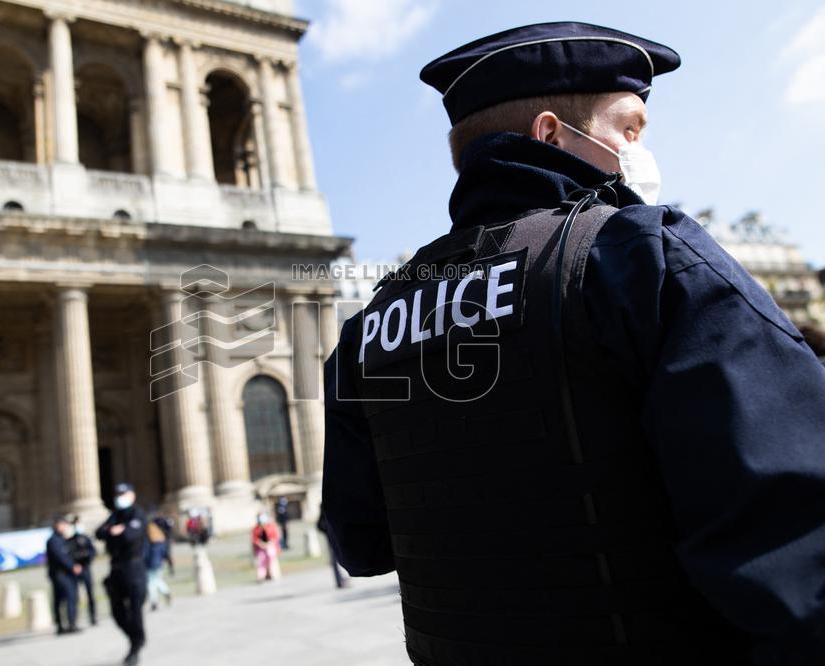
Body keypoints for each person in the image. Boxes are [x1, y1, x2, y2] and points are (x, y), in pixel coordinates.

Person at [321, 21, 825, 665]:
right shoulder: (643, 255)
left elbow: (361, 543)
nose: (639, 148)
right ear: (551, 134)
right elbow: (796, 540)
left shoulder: (371, 323)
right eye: (630, 128)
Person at [96, 483, 148, 665]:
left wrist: (116, 531)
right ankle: (135, 638)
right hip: (116, 569)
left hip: (134, 569)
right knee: (117, 612)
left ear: (132, 496)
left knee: (135, 611)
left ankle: (136, 645)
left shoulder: (137, 514)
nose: (120, 498)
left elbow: (130, 535)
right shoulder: (115, 515)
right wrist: (114, 531)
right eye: (118, 494)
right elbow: (99, 532)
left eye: (123, 494)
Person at [46, 514, 81, 635]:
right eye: (63, 524)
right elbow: (60, 557)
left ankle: (68, 623)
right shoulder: (54, 540)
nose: (65, 527)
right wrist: (72, 566)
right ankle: (67, 624)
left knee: (67, 598)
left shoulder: (63, 539)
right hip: (61, 574)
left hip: (66, 574)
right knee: (65, 598)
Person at [67, 514, 97, 626]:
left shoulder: (86, 538)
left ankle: (93, 616)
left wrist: (87, 555)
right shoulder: (70, 540)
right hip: (75, 569)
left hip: (86, 568)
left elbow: (93, 552)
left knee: (90, 594)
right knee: (74, 595)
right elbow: (69, 555)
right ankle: (74, 620)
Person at [144, 515, 172, 611]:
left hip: (150, 563)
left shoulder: (148, 541)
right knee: (156, 580)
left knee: (151, 582)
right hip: (159, 563)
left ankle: (154, 601)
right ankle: (166, 592)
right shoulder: (160, 538)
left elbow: (145, 553)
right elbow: (165, 552)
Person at [316, 508, 348, 589]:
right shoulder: (325, 506)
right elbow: (320, 524)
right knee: (335, 559)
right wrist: (329, 530)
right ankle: (340, 581)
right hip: (332, 537)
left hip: (340, 535)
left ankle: (344, 579)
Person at [251, 512, 281, 583]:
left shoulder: (271, 526)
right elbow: (254, 539)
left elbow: (275, 537)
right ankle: (261, 576)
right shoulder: (256, 529)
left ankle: (272, 574)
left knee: (272, 561)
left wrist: (270, 543)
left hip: (270, 546)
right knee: (262, 562)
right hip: (261, 548)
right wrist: (260, 544)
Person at [154, 511, 176, 576]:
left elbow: (170, 529)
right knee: (159, 555)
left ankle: (171, 569)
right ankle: (159, 569)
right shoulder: (155, 521)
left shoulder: (166, 520)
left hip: (166, 540)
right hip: (158, 540)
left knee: (167, 554)